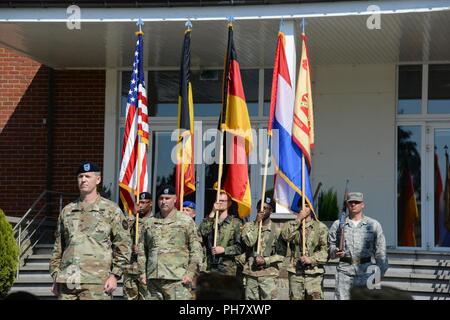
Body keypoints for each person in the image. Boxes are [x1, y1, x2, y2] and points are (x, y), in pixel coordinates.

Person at [49, 162, 131, 300]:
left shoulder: (111, 210)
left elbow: (123, 245)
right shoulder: (67, 210)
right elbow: (59, 247)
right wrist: (56, 275)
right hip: (68, 280)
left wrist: (114, 275)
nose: (83, 180)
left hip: (97, 282)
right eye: (80, 176)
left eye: (88, 176)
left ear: (98, 180)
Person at [138, 185, 203, 300]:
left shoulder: (186, 222)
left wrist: (190, 273)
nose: (163, 202)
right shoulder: (149, 223)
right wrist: (142, 273)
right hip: (153, 280)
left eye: (167, 198)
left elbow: (196, 249)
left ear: (175, 199)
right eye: (161, 198)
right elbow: (142, 250)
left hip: (178, 280)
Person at [328, 192, 389, 300]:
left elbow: (381, 253)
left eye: (357, 202)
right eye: (351, 202)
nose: (353, 204)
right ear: (347, 205)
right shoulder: (338, 225)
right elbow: (330, 248)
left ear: (362, 205)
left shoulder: (373, 225)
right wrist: (335, 252)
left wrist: (379, 275)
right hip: (344, 273)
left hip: (366, 272)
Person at [281, 199, 328, 300]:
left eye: (306, 206)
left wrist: (311, 259)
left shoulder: (320, 227)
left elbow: (325, 251)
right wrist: (298, 219)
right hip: (296, 272)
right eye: (301, 206)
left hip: (314, 274)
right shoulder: (292, 225)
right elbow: (286, 237)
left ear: (311, 208)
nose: (304, 209)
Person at [240, 197, 287, 300]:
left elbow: (282, 255)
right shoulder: (248, 226)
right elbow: (249, 242)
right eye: (260, 207)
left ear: (271, 210)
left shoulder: (277, 230)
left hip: (268, 276)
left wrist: (265, 260)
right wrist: (256, 224)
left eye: (266, 208)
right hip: (251, 274)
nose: (262, 210)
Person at [198, 191, 243, 277]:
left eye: (223, 201)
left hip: (227, 268)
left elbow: (240, 247)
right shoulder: (211, 220)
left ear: (229, 203)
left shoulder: (236, 223)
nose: (220, 203)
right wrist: (213, 211)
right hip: (209, 266)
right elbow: (202, 232)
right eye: (218, 200)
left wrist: (224, 250)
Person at [123, 192, 152, 300]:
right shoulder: (132, 220)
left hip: (147, 270)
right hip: (131, 268)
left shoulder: (156, 221)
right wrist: (133, 216)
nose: (141, 205)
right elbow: (122, 233)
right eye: (139, 202)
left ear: (151, 203)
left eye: (145, 203)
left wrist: (141, 250)